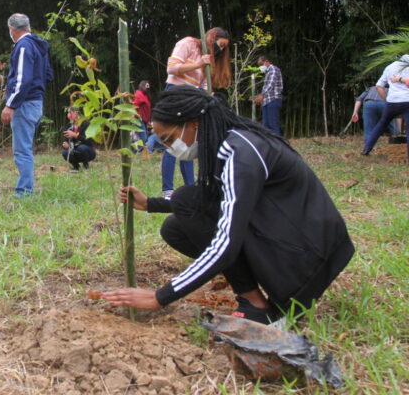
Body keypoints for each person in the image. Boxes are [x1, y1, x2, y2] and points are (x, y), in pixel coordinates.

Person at [102, 85, 354, 325]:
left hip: (308, 258)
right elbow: (214, 195)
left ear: (193, 122)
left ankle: (256, 306)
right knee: (175, 226)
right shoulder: (228, 143)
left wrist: (160, 296)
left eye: (169, 139)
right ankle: (254, 292)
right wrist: (151, 204)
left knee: (188, 204)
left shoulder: (241, 152)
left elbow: (226, 243)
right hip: (295, 244)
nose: (170, 148)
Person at [159, 27, 231, 198]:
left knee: (188, 145)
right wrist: (198, 63)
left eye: (223, 48)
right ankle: (168, 190)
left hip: (192, 98)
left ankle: (190, 188)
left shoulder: (209, 59)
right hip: (175, 93)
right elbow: (171, 68)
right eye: (219, 45)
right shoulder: (188, 43)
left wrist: (207, 94)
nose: (220, 50)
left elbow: (202, 83)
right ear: (212, 38)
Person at [0, 13, 53, 197]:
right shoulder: (39, 46)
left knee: (22, 150)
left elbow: (23, 79)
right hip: (37, 103)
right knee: (25, 148)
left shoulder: (23, 46)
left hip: (24, 104)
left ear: (11, 29)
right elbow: (47, 75)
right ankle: (26, 188)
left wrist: (10, 105)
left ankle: (24, 192)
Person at [362, 54, 409, 159]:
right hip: (407, 101)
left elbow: (378, 86)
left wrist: (386, 100)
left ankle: (366, 149)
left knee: (381, 124)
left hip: (392, 101)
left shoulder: (390, 67)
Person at [350, 85, 398, 150]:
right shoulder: (392, 90)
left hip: (369, 104)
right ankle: (399, 146)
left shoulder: (370, 88)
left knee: (368, 129)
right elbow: (397, 112)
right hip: (385, 104)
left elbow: (359, 99)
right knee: (394, 128)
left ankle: (367, 149)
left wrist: (355, 112)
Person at [253, 55, 283, 135]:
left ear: (266, 62)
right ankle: (270, 144)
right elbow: (265, 87)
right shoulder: (267, 72)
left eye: (261, 64)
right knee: (265, 125)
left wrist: (261, 95)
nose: (260, 67)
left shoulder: (273, 70)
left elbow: (270, 84)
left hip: (273, 100)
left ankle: (278, 144)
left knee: (272, 124)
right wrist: (258, 97)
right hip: (266, 101)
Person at [60, 108, 96, 172]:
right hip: (75, 150)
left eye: (70, 113)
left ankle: (85, 165)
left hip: (88, 150)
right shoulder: (69, 126)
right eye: (67, 113)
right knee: (64, 152)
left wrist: (75, 135)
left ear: (76, 113)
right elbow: (66, 139)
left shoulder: (85, 124)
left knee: (81, 148)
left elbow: (88, 140)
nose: (68, 115)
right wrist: (66, 144)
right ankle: (76, 167)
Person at [133, 80, 153, 153]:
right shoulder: (139, 94)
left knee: (143, 139)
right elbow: (134, 105)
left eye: (149, 86)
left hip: (144, 120)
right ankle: (135, 153)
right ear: (142, 85)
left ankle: (134, 153)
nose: (148, 87)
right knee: (144, 139)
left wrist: (147, 122)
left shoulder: (145, 95)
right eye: (146, 86)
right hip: (138, 119)